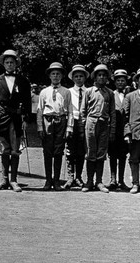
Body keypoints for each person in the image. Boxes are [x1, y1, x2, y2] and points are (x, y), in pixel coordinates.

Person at [0, 50, 32, 192]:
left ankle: (13, 180)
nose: (9, 65)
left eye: (12, 62)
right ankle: (4, 180)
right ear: (3, 64)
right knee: (4, 149)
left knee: (15, 149)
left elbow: (27, 102)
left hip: (16, 118)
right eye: (7, 62)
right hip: (1, 117)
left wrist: (26, 118)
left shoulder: (23, 81)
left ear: (16, 64)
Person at [37, 62, 74, 191]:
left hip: (61, 121)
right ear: (49, 76)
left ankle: (57, 181)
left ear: (62, 76)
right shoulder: (44, 92)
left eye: (58, 73)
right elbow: (39, 111)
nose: (56, 76)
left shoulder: (66, 92)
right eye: (53, 73)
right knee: (47, 151)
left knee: (58, 151)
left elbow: (70, 110)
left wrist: (69, 127)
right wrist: (40, 127)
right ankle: (48, 180)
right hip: (47, 121)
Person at [80, 64, 116, 193]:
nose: (101, 77)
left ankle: (99, 181)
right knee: (90, 152)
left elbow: (112, 113)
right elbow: (83, 111)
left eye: (104, 75)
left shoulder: (110, 93)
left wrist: (112, 129)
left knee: (101, 153)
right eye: (99, 75)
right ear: (95, 77)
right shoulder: (89, 91)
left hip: (104, 124)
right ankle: (89, 181)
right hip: (91, 122)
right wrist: (83, 127)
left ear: (107, 78)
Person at [64, 64, 89, 189]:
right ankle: (70, 177)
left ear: (84, 78)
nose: (79, 78)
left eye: (81, 76)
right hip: (71, 121)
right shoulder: (68, 92)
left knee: (81, 150)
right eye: (76, 76)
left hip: (84, 122)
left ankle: (78, 177)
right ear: (72, 78)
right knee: (70, 150)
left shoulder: (89, 92)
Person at [108, 69, 131, 191]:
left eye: (123, 80)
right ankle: (113, 179)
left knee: (123, 155)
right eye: (118, 80)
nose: (120, 83)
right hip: (113, 129)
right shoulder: (111, 94)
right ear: (115, 82)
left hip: (125, 129)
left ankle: (121, 180)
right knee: (112, 154)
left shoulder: (130, 95)